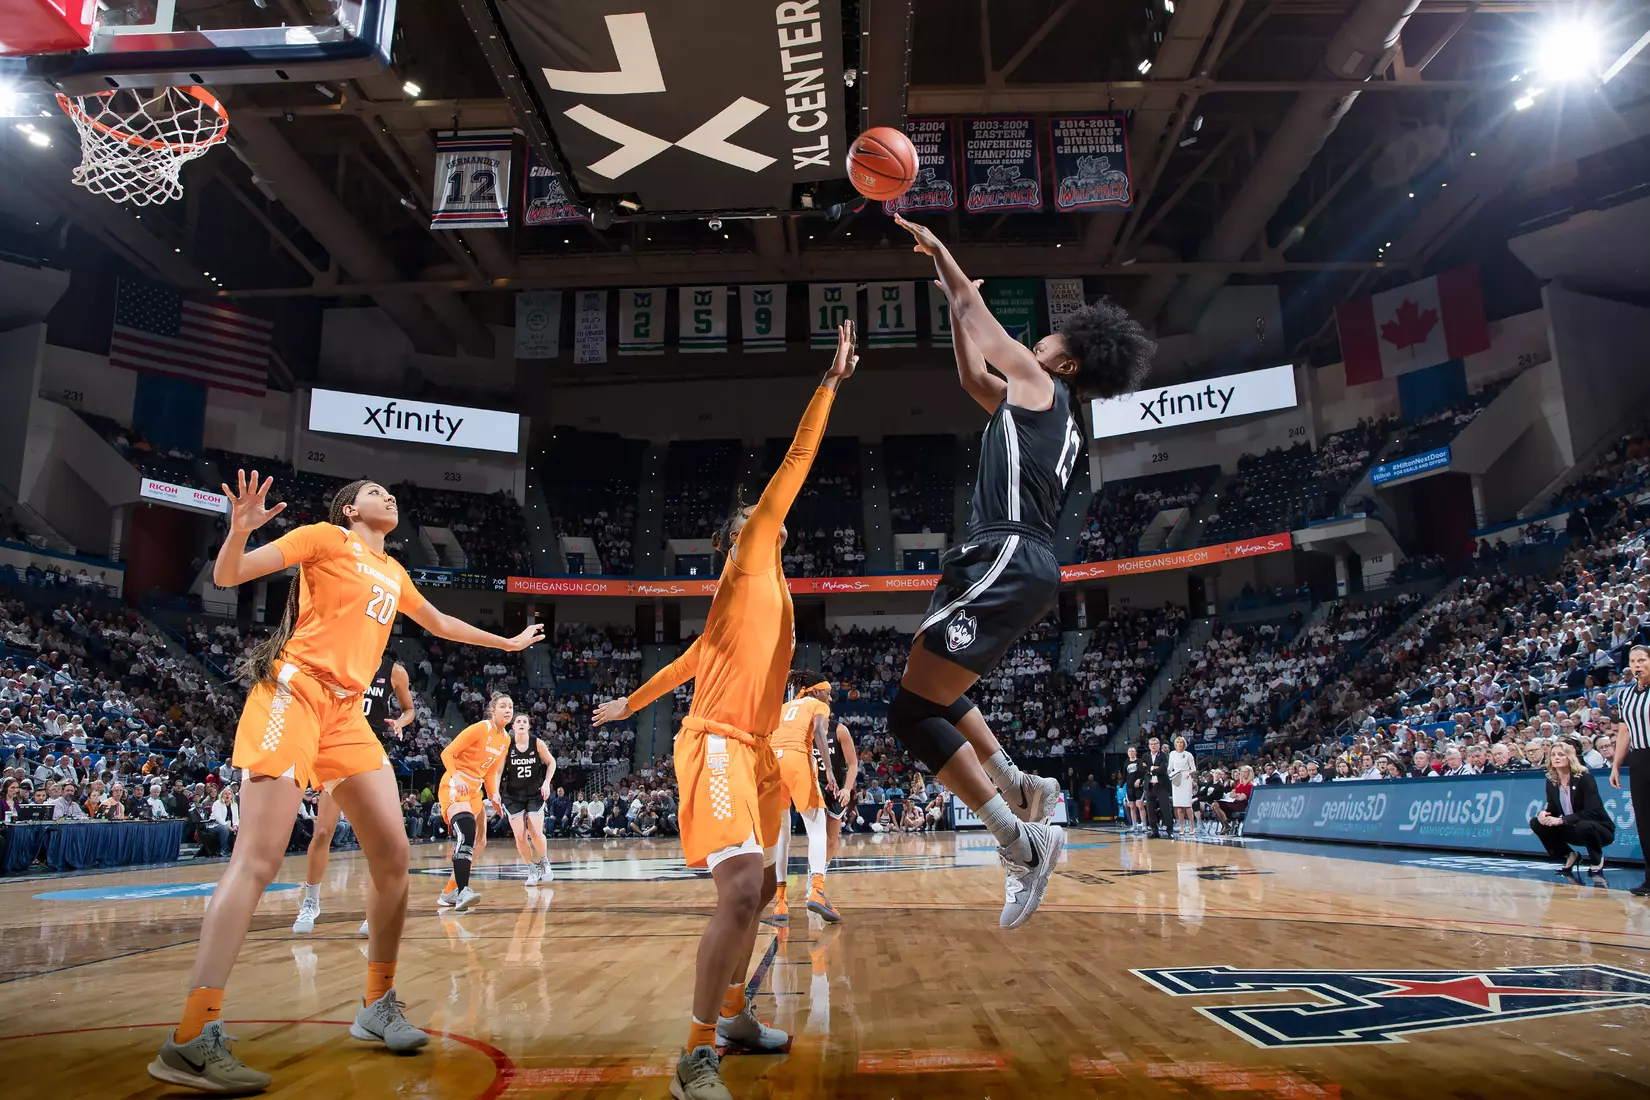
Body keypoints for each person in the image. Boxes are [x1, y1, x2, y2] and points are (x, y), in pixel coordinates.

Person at [148, 473, 542, 1095]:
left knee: (394, 855)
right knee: (259, 856)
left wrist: (507, 642)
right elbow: (229, 575)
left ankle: (376, 1003)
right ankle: (192, 1036)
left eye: (391, 493)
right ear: (349, 507)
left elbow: (438, 622)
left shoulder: (394, 572)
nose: (389, 497)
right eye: (375, 492)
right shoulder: (324, 538)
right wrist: (240, 530)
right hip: (295, 691)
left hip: (348, 714)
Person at [591, 321, 857, 1100]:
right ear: (736, 539)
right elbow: (794, 466)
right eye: (748, 521)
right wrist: (830, 386)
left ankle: (737, 1017)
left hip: (758, 751)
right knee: (743, 886)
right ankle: (694, 1055)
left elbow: (681, 665)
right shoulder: (747, 567)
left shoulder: (765, 597)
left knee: (768, 888)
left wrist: (627, 702)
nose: (762, 520)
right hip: (714, 745)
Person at [890, 212, 1154, 925]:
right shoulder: (1042, 408)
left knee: (911, 712)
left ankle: (1018, 837)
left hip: (1005, 551)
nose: (1040, 337)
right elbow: (972, 370)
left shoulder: (1042, 385)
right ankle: (1022, 788)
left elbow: (983, 323)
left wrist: (940, 255)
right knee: (929, 692)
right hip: (1009, 557)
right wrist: (955, 305)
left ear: (1067, 362)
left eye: (1052, 337)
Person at [293, 651, 416, 935]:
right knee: (323, 831)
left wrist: (400, 722)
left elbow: (409, 710)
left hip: (369, 749)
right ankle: (311, 902)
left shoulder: (394, 671)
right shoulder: (340, 658)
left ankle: (375, 909)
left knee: (376, 838)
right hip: (334, 748)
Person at [767, 670, 840, 925]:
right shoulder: (817, 705)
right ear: (816, 691)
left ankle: (780, 901)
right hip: (798, 758)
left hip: (771, 763)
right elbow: (820, 732)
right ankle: (817, 891)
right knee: (818, 828)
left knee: (781, 836)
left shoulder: (783, 706)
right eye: (828, 694)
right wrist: (829, 770)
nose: (830, 699)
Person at [438, 694, 514, 911]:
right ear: (493, 710)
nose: (507, 710)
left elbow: (490, 771)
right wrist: (457, 776)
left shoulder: (505, 739)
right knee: (467, 832)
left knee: (480, 842)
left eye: (510, 707)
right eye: (503, 706)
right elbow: (447, 753)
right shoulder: (481, 729)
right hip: (456, 784)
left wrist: (494, 796)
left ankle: (449, 892)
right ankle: (463, 891)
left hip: (475, 790)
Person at [1532, 740, 1614, 874]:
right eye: (1553, 755)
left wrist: (1561, 820)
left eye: (1561, 755)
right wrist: (1543, 814)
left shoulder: (1584, 778)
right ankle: (1569, 855)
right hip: (1572, 828)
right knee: (1536, 822)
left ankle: (1596, 858)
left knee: (1584, 824)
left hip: (1598, 829)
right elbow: (1553, 809)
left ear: (1569, 757)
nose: (1556, 758)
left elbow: (1591, 811)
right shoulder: (1551, 780)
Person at [1609, 644, 1650, 897]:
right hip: (1640, 758)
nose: (1637, 665)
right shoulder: (1626, 695)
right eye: (1633, 661)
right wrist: (1616, 764)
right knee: (1645, 822)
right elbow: (1624, 732)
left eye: (1642, 660)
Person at [500, 713, 556, 886]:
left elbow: (551, 762)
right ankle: (531, 868)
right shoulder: (506, 745)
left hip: (534, 792)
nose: (522, 723)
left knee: (536, 831)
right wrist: (494, 791)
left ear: (529, 726)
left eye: (525, 721)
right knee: (519, 835)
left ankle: (544, 861)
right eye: (519, 721)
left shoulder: (536, 743)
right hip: (512, 794)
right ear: (513, 727)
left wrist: (547, 783)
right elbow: (497, 770)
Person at [818, 716, 858, 865]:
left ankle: (822, 872)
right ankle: (813, 877)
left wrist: (847, 789)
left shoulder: (839, 730)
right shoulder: (804, 731)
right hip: (816, 783)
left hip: (837, 786)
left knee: (831, 841)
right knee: (818, 836)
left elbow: (853, 764)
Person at [1144, 736, 1173, 837]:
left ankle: (1170, 830)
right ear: (1149, 746)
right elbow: (1141, 768)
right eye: (1151, 744)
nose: (1153, 746)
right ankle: (1154, 830)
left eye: (1155, 744)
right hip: (1149, 786)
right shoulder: (1145, 756)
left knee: (1165, 809)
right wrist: (1153, 768)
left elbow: (1163, 769)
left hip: (1161, 785)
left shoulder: (1163, 755)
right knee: (1150, 809)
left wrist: (1149, 769)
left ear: (1158, 745)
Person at [1168, 736, 1196, 839]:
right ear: (1175, 744)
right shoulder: (1172, 754)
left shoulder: (1188, 755)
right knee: (1178, 806)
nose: (1179, 744)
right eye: (1177, 742)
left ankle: (1192, 827)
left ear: (1184, 744)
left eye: (1181, 742)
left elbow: (1193, 769)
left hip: (1185, 778)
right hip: (1176, 779)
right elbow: (1170, 768)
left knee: (1187, 805)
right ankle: (1181, 827)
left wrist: (1189, 773)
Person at [1123, 745, 1147, 833]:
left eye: (1133, 751)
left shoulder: (1140, 761)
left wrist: (1140, 780)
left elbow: (1144, 773)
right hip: (1129, 787)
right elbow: (1124, 775)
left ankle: (1144, 825)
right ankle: (1134, 825)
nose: (1131, 753)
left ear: (1136, 752)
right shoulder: (1126, 763)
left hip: (1138, 787)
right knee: (1132, 806)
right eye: (1129, 751)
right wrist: (1122, 787)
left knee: (1140, 805)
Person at [209, 786, 240, 854]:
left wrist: (235, 825)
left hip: (230, 825)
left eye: (229, 794)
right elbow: (218, 818)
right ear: (222, 795)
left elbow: (236, 818)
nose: (227, 795)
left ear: (232, 795)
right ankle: (224, 850)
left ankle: (237, 850)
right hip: (214, 825)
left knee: (241, 828)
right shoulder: (217, 803)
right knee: (224, 829)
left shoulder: (234, 805)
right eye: (225, 794)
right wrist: (229, 827)